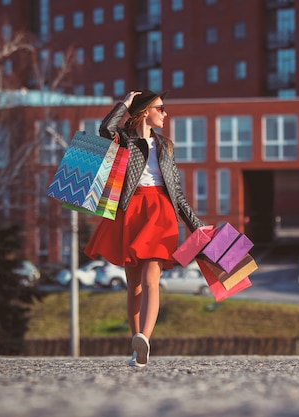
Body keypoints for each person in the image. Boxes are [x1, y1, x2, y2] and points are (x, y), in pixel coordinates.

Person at [84, 89, 205, 367]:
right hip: (131, 210)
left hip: (160, 213)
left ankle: (145, 339)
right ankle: (136, 344)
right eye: (160, 108)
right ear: (144, 112)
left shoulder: (166, 146)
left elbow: (177, 193)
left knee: (152, 278)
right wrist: (125, 103)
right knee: (134, 286)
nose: (165, 113)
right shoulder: (125, 141)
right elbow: (105, 129)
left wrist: (197, 227)